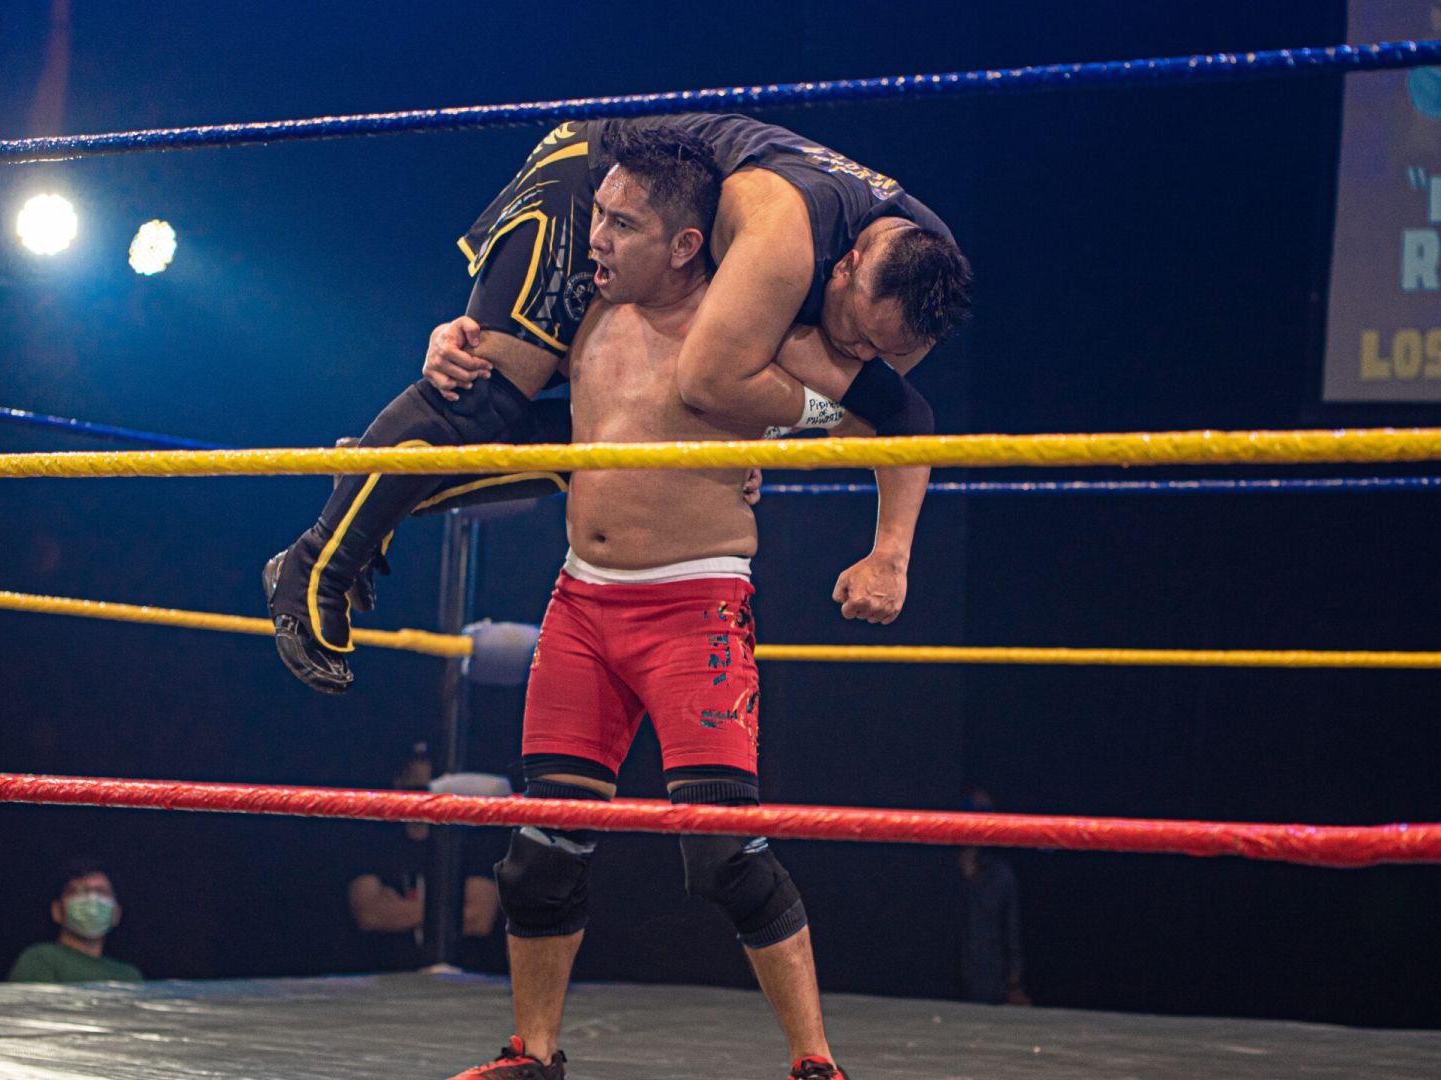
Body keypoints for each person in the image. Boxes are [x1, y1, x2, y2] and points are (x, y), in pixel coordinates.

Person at [265, 112, 971, 695]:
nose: (859, 352)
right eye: (857, 331)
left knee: (613, 446)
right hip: (610, 185)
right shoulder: (781, 239)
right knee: (481, 393)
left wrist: (890, 556)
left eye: (883, 349)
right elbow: (714, 384)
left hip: (671, 235)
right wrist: (799, 415)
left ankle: (374, 486)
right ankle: (314, 568)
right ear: (845, 266)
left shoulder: (918, 281)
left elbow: (901, 415)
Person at [450, 128, 850, 1080]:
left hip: (694, 607)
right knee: (541, 852)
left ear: (684, 245)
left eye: (622, 224)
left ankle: (815, 1064)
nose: (596, 237)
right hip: (580, 606)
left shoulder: (743, 328)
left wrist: (792, 436)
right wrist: (451, 337)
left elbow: (864, 400)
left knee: (727, 856)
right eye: (598, 215)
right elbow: (496, 353)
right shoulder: (585, 308)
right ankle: (534, 1055)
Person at [348, 748, 503, 972]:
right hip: (392, 976)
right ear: (398, 784)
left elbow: (479, 918)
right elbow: (369, 915)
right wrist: (454, 909)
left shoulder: (468, 843)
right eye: (415, 787)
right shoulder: (378, 844)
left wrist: (399, 910)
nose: (422, 798)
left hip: (464, 974)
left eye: (428, 789)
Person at [8, 860, 144, 983]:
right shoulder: (40, 959)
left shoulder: (129, 975)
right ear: (57, 911)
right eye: (78, 892)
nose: (92, 903)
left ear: (116, 913)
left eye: (102, 892)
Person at [955, 789, 1031, 1006]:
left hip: (989, 982)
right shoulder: (938, 869)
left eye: (984, 813)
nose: (976, 822)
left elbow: (1011, 931)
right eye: (971, 811)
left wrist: (1014, 982)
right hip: (941, 985)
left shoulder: (1001, 875)